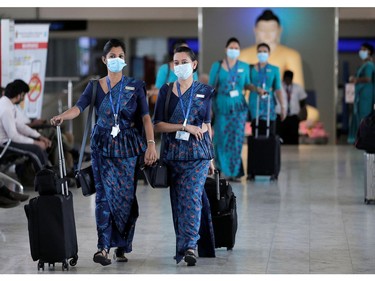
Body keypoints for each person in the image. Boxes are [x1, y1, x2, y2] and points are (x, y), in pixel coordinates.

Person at [50, 39, 157, 266]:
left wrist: (151, 143)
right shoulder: (94, 86)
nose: (116, 60)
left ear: (125, 59)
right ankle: (103, 247)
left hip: (128, 148)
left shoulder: (136, 86)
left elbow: (146, 117)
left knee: (125, 199)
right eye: (112, 56)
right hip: (102, 146)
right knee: (104, 197)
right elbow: (79, 108)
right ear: (104, 59)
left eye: (120, 56)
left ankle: (122, 245)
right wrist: (62, 116)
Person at [153, 46, 216, 266]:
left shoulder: (205, 91)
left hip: (197, 155)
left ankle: (190, 246)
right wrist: (184, 126)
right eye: (176, 62)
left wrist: (210, 158)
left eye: (183, 62)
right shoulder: (166, 91)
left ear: (194, 65)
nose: (179, 66)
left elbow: (207, 125)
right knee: (179, 202)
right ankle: (184, 245)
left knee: (191, 198)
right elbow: (158, 125)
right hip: (173, 155)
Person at [208, 37, 251, 182]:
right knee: (221, 138)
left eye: (236, 48)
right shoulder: (218, 66)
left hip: (239, 107)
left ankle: (234, 171)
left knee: (236, 139)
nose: (234, 50)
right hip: (221, 106)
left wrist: (257, 89)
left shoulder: (244, 66)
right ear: (226, 49)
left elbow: (247, 85)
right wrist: (208, 108)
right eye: (231, 47)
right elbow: (211, 87)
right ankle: (222, 170)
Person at [0, 80, 51, 183]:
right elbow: (13, 136)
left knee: (38, 146)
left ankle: (48, 177)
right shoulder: (6, 109)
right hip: (3, 145)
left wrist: (39, 137)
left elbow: (20, 126)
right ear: (19, 95)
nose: (24, 98)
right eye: (24, 95)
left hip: (8, 141)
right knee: (36, 150)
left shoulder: (8, 104)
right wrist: (36, 143)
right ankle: (47, 183)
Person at [239, 9, 305, 87]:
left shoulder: (291, 55)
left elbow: (297, 89)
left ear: (279, 30)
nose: (267, 34)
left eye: (272, 30)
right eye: (263, 30)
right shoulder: (243, 55)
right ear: (255, 30)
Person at [248, 43, 285, 136]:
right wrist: (256, 89)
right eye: (260, 51)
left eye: (265, 51)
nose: (262, 53)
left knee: (269, 127)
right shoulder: (250, 69)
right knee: (256, 127)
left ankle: (268, 149)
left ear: (269, 53)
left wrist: (282, 106)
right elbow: (246, 84)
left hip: (268, 102)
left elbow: (278, 89)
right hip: (255, 101)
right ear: (256, 53)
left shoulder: (274, 69)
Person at [147, 40, 199, 104]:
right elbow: (159, 89)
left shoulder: (190, 68)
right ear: (175, 51)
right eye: (183, 50)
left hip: (187, 104)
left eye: (187, 50)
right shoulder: (165, 69)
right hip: (168, 104)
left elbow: (195, 88)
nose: (186, 53)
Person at [347, 42, 375, 144]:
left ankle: (364, 139)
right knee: (358, 116)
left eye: (363, 50)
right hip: (361, 95)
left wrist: (356, 80)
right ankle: (360, 139)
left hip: (366, 96)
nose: (361, 52)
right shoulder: (364, 65)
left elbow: (368, 78)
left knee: (364, 117)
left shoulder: (369, 65)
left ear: (369, 52)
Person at [276, 70, 307, 144]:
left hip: (293, 116)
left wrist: (303, 113)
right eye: (286, 79)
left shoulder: (298, 87)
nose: (288, 81)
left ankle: (294, 152)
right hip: (281, 115)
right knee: (281, 136)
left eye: (289, 79)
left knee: (293, 137)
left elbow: (302, 102)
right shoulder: (277, 87)